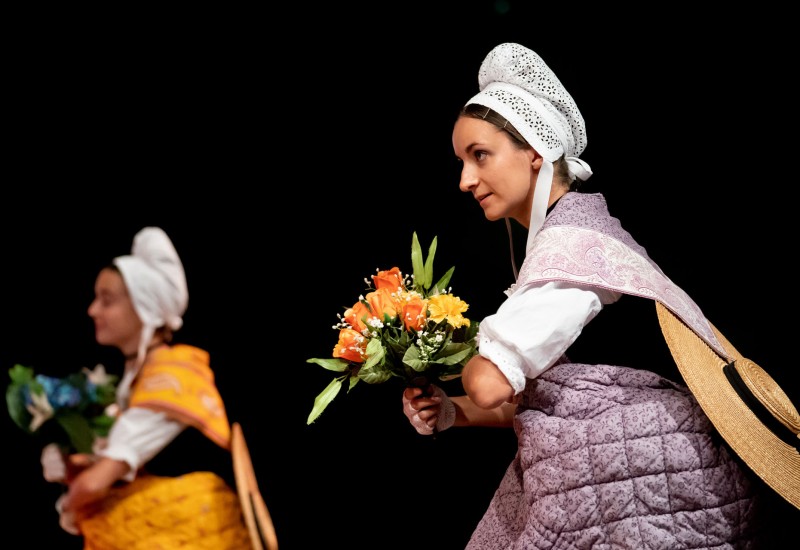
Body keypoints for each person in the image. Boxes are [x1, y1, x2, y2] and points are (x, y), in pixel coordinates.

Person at [402, 42, 798, 548]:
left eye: (480, 155)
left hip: (654, 473)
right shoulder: (571, 235)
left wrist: (451, 352)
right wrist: (450, 410)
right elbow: (551, 399)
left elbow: (491, 385)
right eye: (461, 161)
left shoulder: (573, 249)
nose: (465, 180)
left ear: (534, 152)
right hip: (643, 463)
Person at [41, 226, 253, 549]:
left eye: (107, 300)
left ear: (144, 308)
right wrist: (70, 466)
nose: (93, 310)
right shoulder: (140, 377)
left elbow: (97, 483)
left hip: (190, 529)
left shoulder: (170, 378)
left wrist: (68, 505)